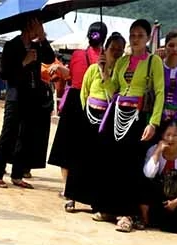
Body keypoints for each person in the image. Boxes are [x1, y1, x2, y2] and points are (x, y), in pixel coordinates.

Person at [91, 18, 164, 231]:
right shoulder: (122, 61)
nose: (135, 39)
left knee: (132, 166)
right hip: (117, 114)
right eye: (132, 35)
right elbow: (113, 89)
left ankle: (127, 214)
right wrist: (104, 70)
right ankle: (109, 208)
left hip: (139, 116)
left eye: (140, 35)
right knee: (112, 162)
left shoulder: (153, 62)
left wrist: (153, 122)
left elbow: (159, 92)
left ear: (148, 38)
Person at [0, 15, 53, 189]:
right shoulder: (12, 46)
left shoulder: (37, 46)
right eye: (36, 25)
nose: (38, 28)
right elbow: (5, 74)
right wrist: (24, 62)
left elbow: (49, 58)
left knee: (25, 136)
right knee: (8, 134)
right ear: (27, 26)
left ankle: (17, 174)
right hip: (15, 96)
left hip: (32, 97)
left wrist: (43, 38)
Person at [62, 32, 123, 214]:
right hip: (89, 116)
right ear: (106, 48)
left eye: (120, 49)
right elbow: (84, 93)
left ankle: (94, 200)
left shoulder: (120, 73)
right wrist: (86, 113)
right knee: (79, 158)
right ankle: (72, 197)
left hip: (108, 119)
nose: (117, 52)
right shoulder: (92, 70)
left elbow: (114, 93)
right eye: (113, 48)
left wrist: (106, 75)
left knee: (99, 161)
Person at [47, 21, 104, 196]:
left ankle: (66, 187)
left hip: (75, 101)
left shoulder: (78, 54)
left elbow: (71, 76)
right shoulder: (107, 58)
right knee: (88, 147)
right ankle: (82, 188)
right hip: (95, 105)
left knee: (67, 145)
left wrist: (60, 68)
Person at [140, 119, 177, 233]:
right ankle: (146, 217)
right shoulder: (153, 149)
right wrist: (157, 152)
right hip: (157, 194)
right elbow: (148, 174)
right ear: (162, 135)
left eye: (175, 135)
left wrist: (176, 202)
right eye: (167, 135)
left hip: (176, 197)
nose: (171, 139)